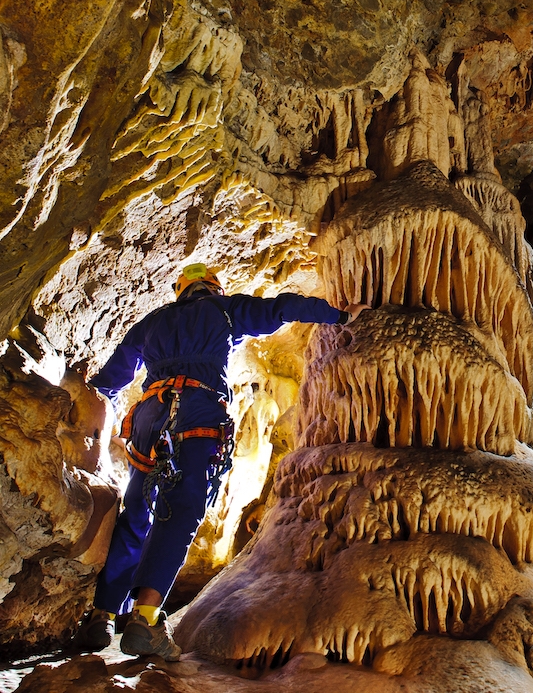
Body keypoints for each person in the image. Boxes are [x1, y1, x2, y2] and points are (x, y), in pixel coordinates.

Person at [72, 262, 364, 659]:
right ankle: (144, 619)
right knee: (181, 508)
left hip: (149, 415)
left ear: (182, 290)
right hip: (196, 410)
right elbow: (281, 308)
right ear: (213, 288)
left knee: (137, 508)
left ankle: (101, 616)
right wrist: (340, 316)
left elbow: (114, 375)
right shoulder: (222, 310)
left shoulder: (153, 321)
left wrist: (83, 398)